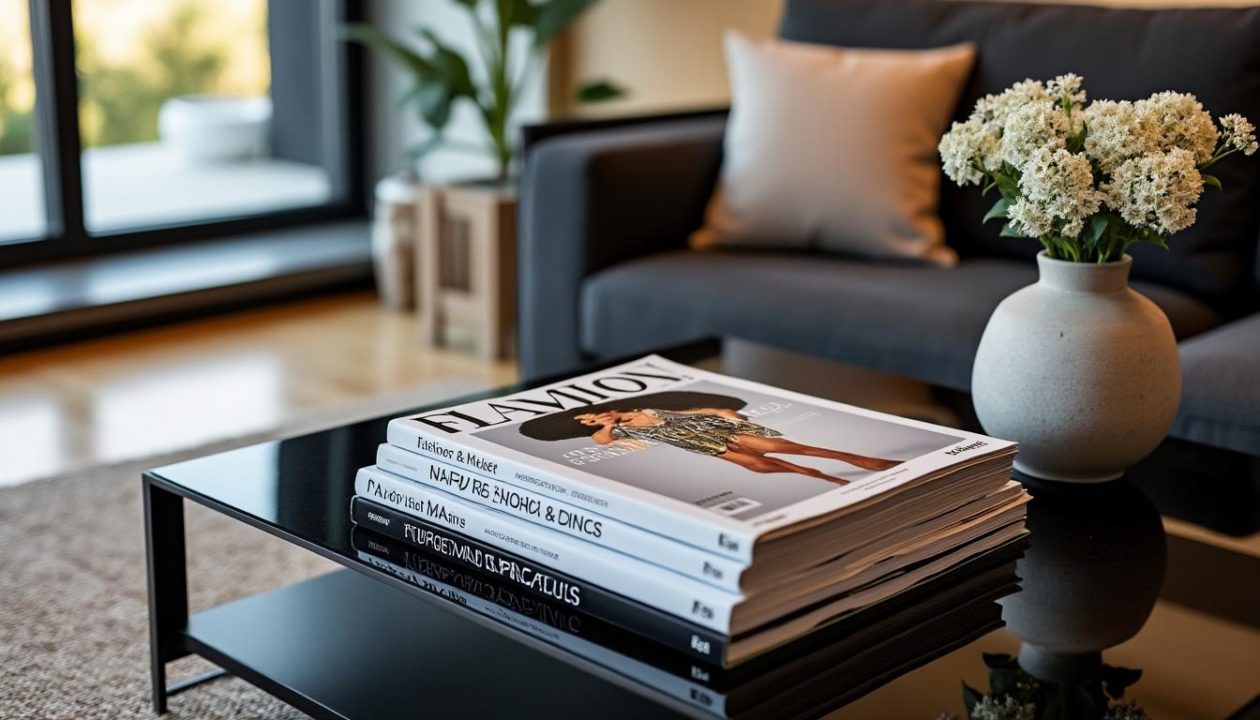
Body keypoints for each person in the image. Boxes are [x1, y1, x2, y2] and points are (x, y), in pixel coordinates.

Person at [574, 406, 901, 485]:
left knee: (788, 448)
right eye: (590, 420)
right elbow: (600, 442)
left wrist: (721, 412)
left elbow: (689, 413)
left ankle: (862, 460)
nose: (598, 418)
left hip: (715, 430)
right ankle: (830, 479)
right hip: (703, 445)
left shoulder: (643, 412)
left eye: (598, 414)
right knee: (764, 467)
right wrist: (605, 426)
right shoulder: (616, 433)